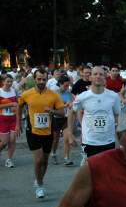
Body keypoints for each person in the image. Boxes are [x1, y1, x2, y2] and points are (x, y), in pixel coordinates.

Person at [16, 69, 65, 198]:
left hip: (48, 131)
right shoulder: (27, 94)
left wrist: (52, 111)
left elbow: (62, 113)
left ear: (46, 79)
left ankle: (39, 180)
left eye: (43, 79)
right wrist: (18, 123)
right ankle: (40, 185)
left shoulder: (53, 95)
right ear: (34, 79)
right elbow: (19, 106)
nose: (41, 81)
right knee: (38, 161)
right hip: (32, 131)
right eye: (39, 79)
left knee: (45, 161)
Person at [67, 66, 121, 161]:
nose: (98, 76)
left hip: (108, 141)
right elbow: (72, 112)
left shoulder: (113, 96)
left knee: (106, 172)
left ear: (105, 77)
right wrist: (70, 134)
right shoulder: (82, 97)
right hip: (89, 142)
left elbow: (118, 116)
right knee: (89, 172)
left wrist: (120, 138)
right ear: (90, 77)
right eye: (95, 74)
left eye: (101, 74)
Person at [51, 76, 74, 165]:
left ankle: (66, 158)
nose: (67, 88)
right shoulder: (54, 93)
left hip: (66, 118)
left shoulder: (68, 93)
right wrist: (64, 105)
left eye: (68, 86)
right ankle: (53, 153)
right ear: (60, 84)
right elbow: (51, 108)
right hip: (56, 118)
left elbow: (72, 103)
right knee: (55, 138)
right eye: (65, 86)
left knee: (67, 138)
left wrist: (71, 104)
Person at [0, 73, 19, 167]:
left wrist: (19, 121)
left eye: (11, 81)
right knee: (4, 142)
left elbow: (17, 105)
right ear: (3, 82)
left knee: (12, 140)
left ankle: (9, 160)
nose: (10, 83)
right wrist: (10, 105)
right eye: (8, 81)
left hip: (13, 119)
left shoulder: (14, 91)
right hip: (2, 120)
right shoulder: (0, 92)